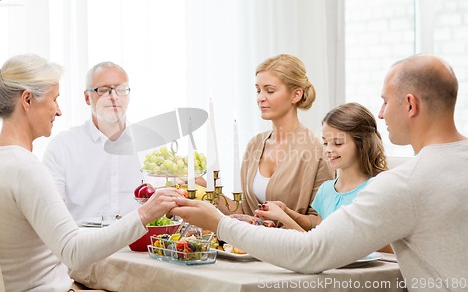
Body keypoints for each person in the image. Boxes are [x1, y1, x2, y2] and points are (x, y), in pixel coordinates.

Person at [171, 54, 468, 290]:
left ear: (410, 105)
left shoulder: (403, 184)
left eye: (385, 101)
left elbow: (313, 251)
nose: (380, 113)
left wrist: (219, 224)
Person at [0, 54, 182, 292]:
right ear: (27, 100)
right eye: (54, 99)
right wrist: (145, 214)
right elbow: (74, 252)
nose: (58, 111)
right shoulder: (25, 168)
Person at [219, 54, 333, 231]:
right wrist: (205, 189)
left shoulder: (316, 149)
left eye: (269, 91)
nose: (260, 98)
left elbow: (319, 222)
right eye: (258, 90)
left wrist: (284, 215)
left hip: (291, 251)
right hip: (251, 249)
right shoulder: (255, 145)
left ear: (296, 94)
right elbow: (244, 212)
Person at [255, 102, 387, 231]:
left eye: (338, 143)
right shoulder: (326, 189)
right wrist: (287, 212)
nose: (328, 149)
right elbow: (318, 231)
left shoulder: (373, 190)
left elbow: (318, 246)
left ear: (362, 144)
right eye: (325, 143)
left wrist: (283, 217)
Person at [43, 61, 144, 221]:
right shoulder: (62, 147)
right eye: (103, 90)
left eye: (121, 90)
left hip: (140, 245)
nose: (113, 97)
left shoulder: (151, 145)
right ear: (87, 97)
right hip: (82, 243)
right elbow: (52, 214)